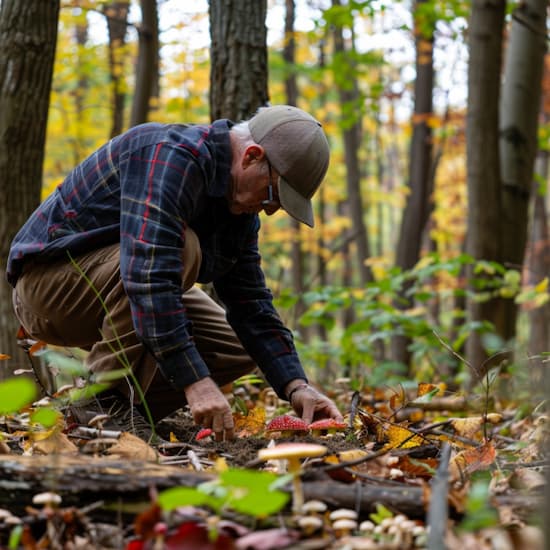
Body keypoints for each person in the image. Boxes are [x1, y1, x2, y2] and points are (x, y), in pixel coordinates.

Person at [7, 105, 343, 443]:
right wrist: (194, 380)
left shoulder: (238, 209)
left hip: (118, 284)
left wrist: (297, 385)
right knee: (182, 249)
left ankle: (119, 412)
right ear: (251, 156)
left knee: (236, 346)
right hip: (46, 290)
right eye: (273, 194)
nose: (270, 210)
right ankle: (99, 405)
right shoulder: (168, 157)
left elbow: (251, 304)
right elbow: (149, 278)